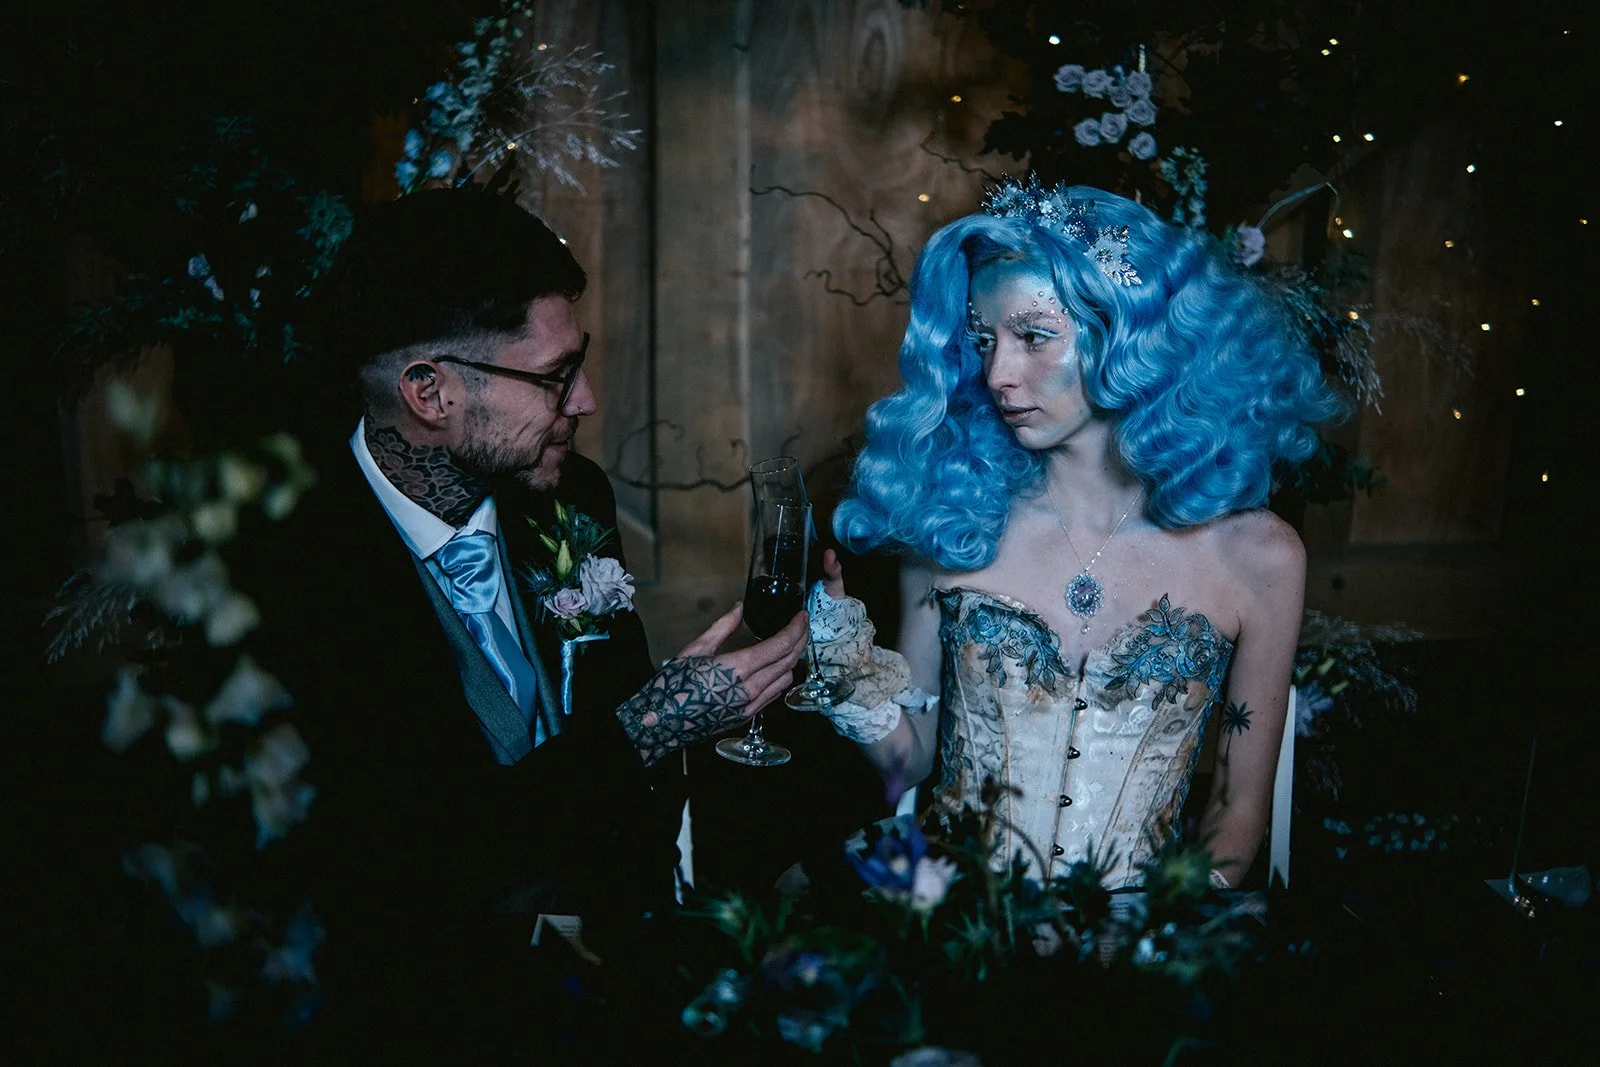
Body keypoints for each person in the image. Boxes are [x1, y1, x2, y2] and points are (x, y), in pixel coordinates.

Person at [239, 188, 808, 1060]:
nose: (582, 400)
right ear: (428, 390)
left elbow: (622, 789)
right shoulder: (293, 571)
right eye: (550, 377)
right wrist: (653, 723)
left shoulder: (569, 498)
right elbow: (421, 853)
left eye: (577, 364)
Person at [814, 177, 1342, 892]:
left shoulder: (1258, 556)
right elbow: (911, 764)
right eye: (983, 341)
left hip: (1139, 964)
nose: (999, 373)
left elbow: (1237, 807)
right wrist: (843, 664)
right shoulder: (952, 526)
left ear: (1129, 337)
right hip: (960, 937)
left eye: (1033, 337)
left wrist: (1154, 950)